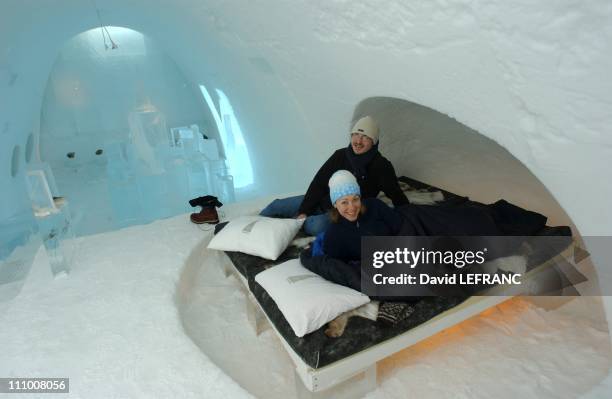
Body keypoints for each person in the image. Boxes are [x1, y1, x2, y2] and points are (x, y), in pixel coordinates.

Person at [260, 116, 409, 235]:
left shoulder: (381, 165)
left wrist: (408, 216)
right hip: (323, 201)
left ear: (374, 141)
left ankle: (288, 227)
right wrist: (305, 210)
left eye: (364, 137)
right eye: (355, 134)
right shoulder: (340, 155)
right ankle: (252, 228)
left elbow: (395, 193)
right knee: (276, 206)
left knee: (315, 226)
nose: (358, 141)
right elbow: (319, 182)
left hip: (346, 211)